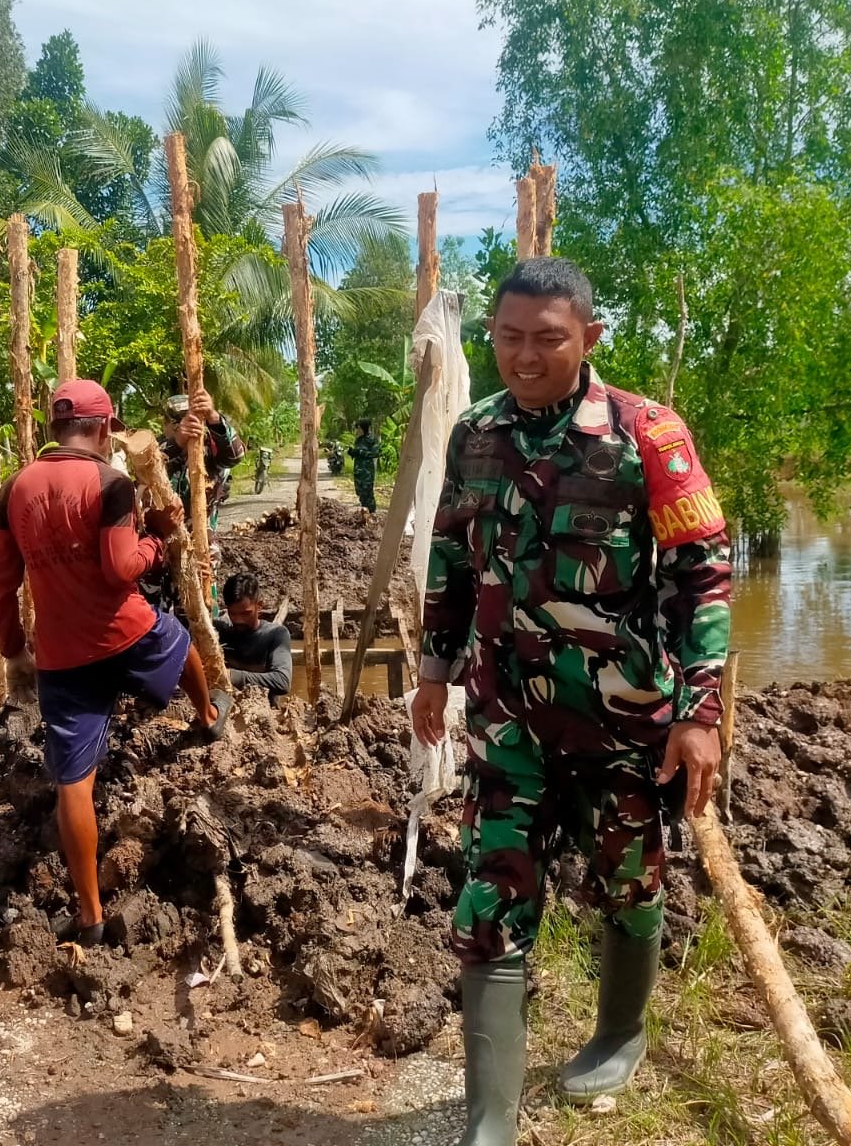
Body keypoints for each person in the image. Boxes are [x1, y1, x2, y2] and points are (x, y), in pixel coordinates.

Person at [411, 259, 730, 1140]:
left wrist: (700, 713)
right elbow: (450, 557)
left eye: (547, 339)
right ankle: (489, 1122)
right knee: (491, 898)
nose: (525, 356)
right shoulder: (474, 433)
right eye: (509, 337)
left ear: (589, 337)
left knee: (629, 883)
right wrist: (434, 671)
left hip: (620, 721)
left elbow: (702, 576)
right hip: (505, 720)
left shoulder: (647, 435)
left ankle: (620, 1031)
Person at [0, 379, 233, 945]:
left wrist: (13, 649)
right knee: (180, 642)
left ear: (56, 429)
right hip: (124, 631)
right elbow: (121, 569)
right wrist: (157, 539)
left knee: (73, 782)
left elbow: (1, 581)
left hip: (61, 655)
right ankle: (207, 716)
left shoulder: (13, 489)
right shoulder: (110, 482)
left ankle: (90, 916)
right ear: (101, 428)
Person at [161, 390, 245, 531]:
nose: (189, 429)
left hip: (203, 535)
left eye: (194, 422)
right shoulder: (157, 449)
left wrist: (214, 419)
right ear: (165, 425)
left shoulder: (209, 449)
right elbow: (147, 471)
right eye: (178, 424)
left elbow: (235, 456)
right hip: (163, 536)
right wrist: (177, 443)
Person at [212, 573, 293, 703]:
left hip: (261, 709)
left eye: (245, 613)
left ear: (259, 606)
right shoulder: (218, 631)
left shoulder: (275, 635)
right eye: (233, 613)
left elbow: (282, 681)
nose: (238, 620)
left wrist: (232, 676)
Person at [350, 419, 381, 513]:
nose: (357, 431)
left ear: (364, 428)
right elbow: (358, 453)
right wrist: (353, 452)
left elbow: (375, 453)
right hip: (358, 471)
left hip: (367, 472)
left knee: (368, 493)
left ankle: (372, 512)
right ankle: (365, 512)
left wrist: (361, 452)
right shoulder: (358, 440)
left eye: (359, 428)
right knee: (360, 493)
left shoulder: (372, 440)